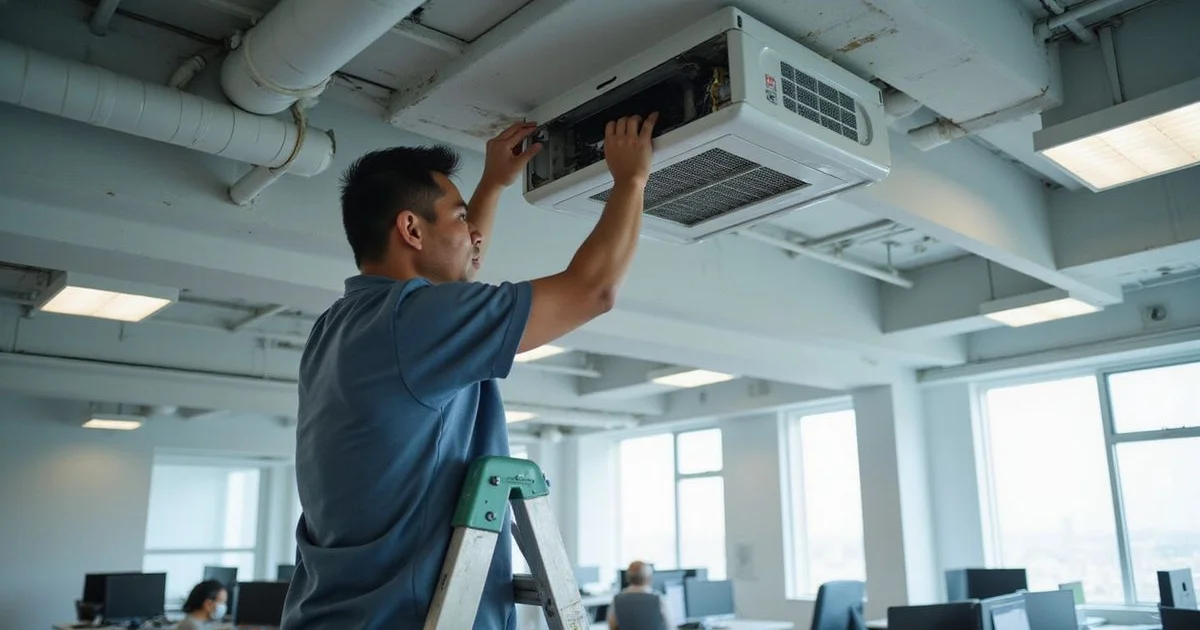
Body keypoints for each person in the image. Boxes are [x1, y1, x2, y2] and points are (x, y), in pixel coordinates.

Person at [281, 112, 658, 630]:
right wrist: (631, 180)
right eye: (459, 219)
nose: (473, 236)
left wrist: (492, 185)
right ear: (410, 229)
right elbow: (593, 290)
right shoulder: (412, 322)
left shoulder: (341, 326)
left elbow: (460, 275)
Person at [608, 561, 672, 630]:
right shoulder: (658, 599)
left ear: (628, 578)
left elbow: (612, 627)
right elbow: (670, 627)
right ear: (649, 578)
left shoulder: (617, 600)